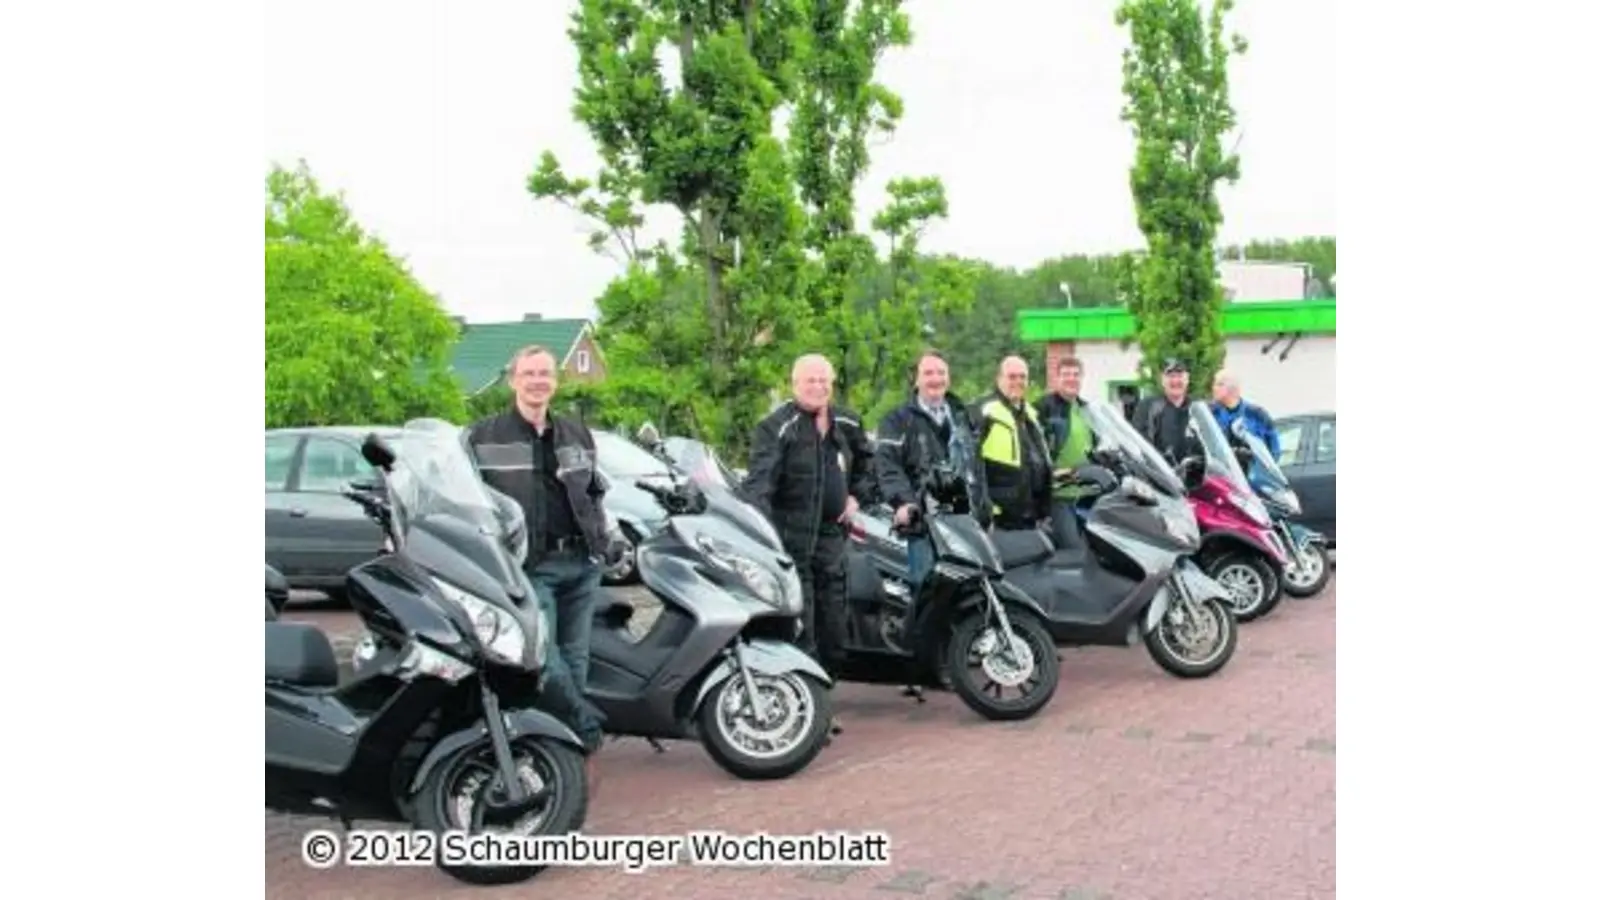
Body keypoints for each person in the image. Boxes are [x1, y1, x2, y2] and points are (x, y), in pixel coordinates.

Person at [463, 344, 625, 789]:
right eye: (530, 373)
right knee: (545, 662)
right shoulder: (483, 437)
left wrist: (607, 537)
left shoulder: (576, 433)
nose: (538, 381)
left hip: (581, 561)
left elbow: (594, 493)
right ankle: (589, 736)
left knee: (574, 662)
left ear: (555, 380)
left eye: (546, 373)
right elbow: (467, 500)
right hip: (529, 566)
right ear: (513, 379)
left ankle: (565, 754)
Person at [742, 354, 875, 706]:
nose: (818, 387)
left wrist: (855, 498)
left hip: (832, 539)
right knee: (802, 626)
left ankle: (824, 697)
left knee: (834, 626)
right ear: (794, 384)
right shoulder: (776, 427)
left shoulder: (847, 422)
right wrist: (765, 538)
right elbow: (758, 489)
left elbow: (868, 465)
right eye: (810, 381)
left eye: (823, 381)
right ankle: (805, 706)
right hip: (791, 542)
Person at [875, 350, 989, 594]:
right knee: (929, 595)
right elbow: (887, 467)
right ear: (916, 380)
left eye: (941, 372)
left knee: (971, 593)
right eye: (928, 373)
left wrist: (985, 511)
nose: (935, 379)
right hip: (924, 525)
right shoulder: (896, 421)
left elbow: (977, 468)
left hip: (966, 523)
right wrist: (903, 503)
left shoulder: (965, 417)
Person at [971, 356, 1053, 531]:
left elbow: (1037, 460)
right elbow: (970, 465)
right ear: (999, 379)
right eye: (1012, 376)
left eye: (1022, 377)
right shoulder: (983, 411)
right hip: (1000, 517)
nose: (1018, 381)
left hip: (1032, 514)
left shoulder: (1031, 414)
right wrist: (983, 510)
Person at [1034, 356, 1097, 550]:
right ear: (1057, 378)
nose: (1071, 379)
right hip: (1060, 494)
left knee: (1094, 550)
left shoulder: (1087, 409)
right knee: (1073, 549)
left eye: (1076, 374)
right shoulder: (1043, 407)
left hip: (1088, 494)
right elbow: (1034, 451)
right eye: (1066, 374)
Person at [1131, 357, 1204, 465]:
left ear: (1187, 379)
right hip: (1160, 476)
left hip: (1194, 476)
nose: (1175, 381)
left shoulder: (1197, 410)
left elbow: (1210, 446)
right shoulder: (1149, 407)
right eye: (1170, 376)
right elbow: (1138, 441)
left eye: (1179, 376)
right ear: (1162, 380)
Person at [1211, 370, 1281, 460]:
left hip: (1249, 472)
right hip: (1220, 472)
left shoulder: (1257, 414)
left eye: (1218, 384)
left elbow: (1274, 451)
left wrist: (1251, 457)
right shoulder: (1211, 413)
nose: (1213, 388)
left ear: (1232, 388)